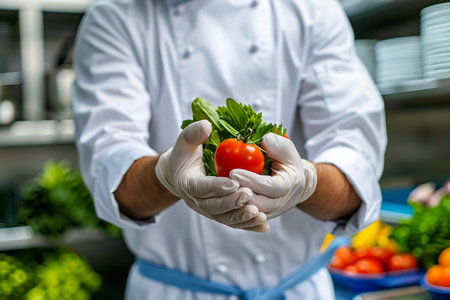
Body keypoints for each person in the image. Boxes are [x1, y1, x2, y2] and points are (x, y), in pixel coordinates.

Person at [72, 0, 387, 299]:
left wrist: (307, 182)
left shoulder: (310, 9)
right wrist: (165, 176)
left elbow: (355, 163)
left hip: (297, 289)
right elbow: (113, 171)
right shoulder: (115, 15)